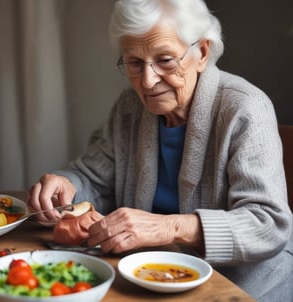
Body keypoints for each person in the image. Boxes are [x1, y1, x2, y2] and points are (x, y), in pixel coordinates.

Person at [27, 0, 293, 300]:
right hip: (151, 274)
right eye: (134, 63)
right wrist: (67, 185)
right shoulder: (130, 107)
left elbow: (268, 223)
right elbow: (94, 177)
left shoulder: (245, 108)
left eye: (165, 60)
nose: (148, 81)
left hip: (240, 285)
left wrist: (169, 227)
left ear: (202, 52)